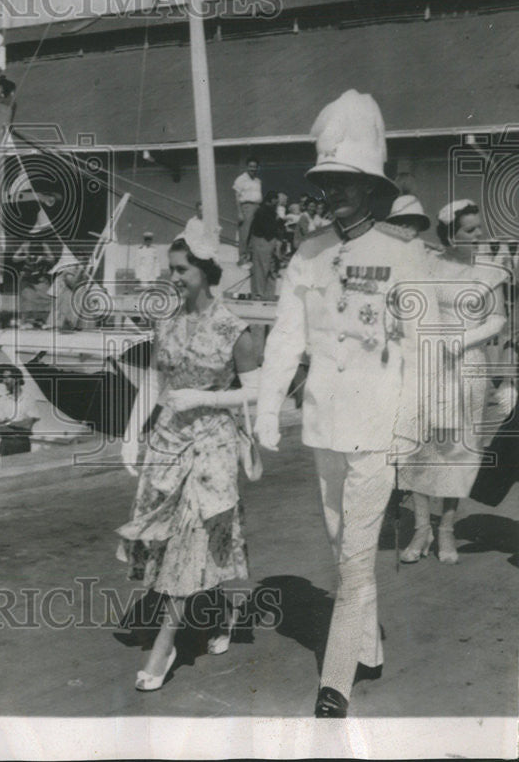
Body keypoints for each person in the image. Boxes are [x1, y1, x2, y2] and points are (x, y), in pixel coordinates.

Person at [254, 89, 428, 718]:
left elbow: (421, 353)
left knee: (356, 553)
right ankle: (368, 651)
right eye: (328, 181)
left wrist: (410, 430)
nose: (336, 193)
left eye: (348, 183)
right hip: (326, 419)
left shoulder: (404, 255)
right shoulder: (308, 254)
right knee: (339, 541)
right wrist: (268, 407)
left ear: (373, 189)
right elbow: (285, 337)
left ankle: (336, 680)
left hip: (378, 424)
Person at [117, 224, 260, 691]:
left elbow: (255, 393)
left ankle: (165, 645)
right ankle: (217, 614)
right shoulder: (168, 323)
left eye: (181, 269)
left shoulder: (234, 328)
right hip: (167, 443)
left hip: (210, 446)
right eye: (171, 269)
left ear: (205, 270)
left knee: (191, 537)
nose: (173, 277)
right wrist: (131, 435)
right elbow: (156, 386)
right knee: (175, 541)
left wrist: (203, 397)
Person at [396, 200, 507, 565]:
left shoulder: (490, 271)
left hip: (468, 365)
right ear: (450, 234)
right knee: (421, 448)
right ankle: (420, 530)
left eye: (479, 228)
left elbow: (497, 321)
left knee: (458, 451)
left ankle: (446, 531)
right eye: (470, 230)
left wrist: (460, 340)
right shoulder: (428, 264)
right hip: (427, 364)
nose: (479, 236)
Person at [0, 367, 40, 457]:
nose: (4, 381)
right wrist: (20, 425)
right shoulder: (2, 400)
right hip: (6, 444)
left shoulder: (29, 399)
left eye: (7, 378)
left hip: (23, 445)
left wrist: (8, 422)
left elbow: (28, 426)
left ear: (17, 379)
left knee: (22, 470)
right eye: (3, 378)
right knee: (4, 470)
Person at [248, 190, 281, 299]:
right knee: (261, 269)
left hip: (270, 242)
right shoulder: (262, 211)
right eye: (276, 200)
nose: (277, 202)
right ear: (271, 200)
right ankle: (259, 295)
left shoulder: (272, 212)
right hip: (262, 241)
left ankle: (268, 295)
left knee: (272, 269)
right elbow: (265, 228)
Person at [232, 158, 262, 265]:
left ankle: (250, 257)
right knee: (245, 233)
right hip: (246, 207)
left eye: (255, 166)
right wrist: (240, 212)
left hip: (257, 207)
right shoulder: (241, 179)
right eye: (251, 166)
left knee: (254, 233)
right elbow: (237, 196)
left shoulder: (258, 181)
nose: (253, 169)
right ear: (247, 167)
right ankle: (242, 257)